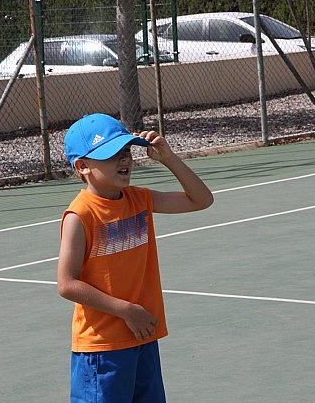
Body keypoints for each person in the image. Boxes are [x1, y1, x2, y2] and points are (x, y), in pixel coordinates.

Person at [57, 113, 214, 402]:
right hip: (102, 349)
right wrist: (126, 310)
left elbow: (201, 200)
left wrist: (168, 158)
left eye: (126, 151)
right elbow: (67, 284)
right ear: (83, 166)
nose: (124, 160)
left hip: (142, 336)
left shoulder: (139, 199)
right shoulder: (80, 216)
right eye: (111, 155)